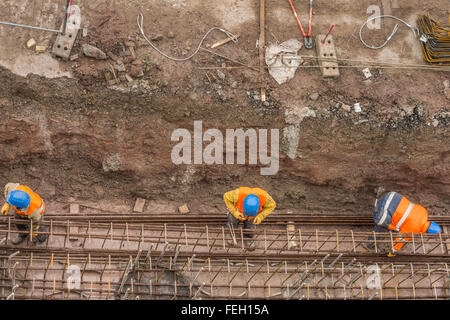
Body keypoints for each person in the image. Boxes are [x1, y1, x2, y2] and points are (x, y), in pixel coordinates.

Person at [364, 191, 442, 256]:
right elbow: (401, 239)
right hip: (384, 211)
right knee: (381, 227)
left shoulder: (424, 212)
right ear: (427, 232)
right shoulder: (414, 229)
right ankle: (369, 244)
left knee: (397, 227)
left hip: (392, 197)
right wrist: (393, 251)